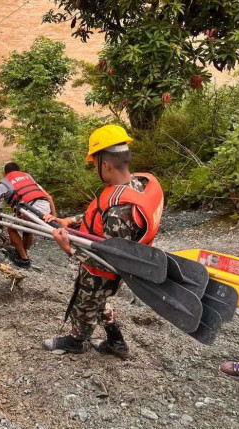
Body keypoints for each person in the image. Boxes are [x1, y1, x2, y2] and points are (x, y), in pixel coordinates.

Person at [43, 125, 164, 357]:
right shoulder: (138, 184)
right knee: (100, 301)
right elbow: (103, 214)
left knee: (85, 303)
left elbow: (110, 259)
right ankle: (116, 342)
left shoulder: (120, 210)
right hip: (118, 270)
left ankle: (76, 342)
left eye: (95, 164)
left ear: (105, 165)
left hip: (102, 271)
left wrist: (69, 249)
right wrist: (71, 220)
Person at [0, 162, 56, 267]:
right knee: (27, 228)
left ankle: (23, 258)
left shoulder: (3, 184)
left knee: (11, 229)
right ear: (19, 171)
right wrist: (54, 217)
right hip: (46, 209)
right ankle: (23, 252)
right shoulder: (28, 179)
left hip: (29, 211)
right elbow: (49, 198)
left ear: (4, 174)